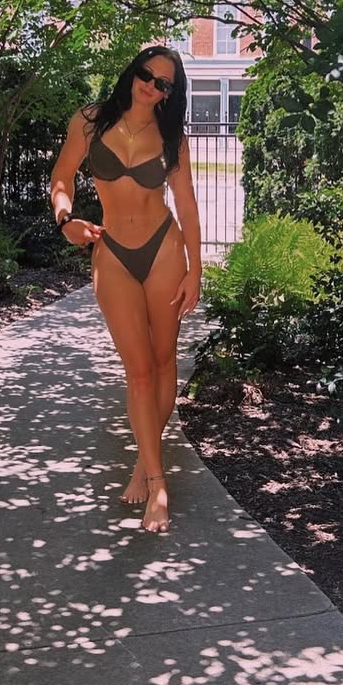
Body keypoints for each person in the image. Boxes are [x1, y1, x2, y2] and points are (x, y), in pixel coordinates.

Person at [50, 46, 202, 533]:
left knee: (163, 362)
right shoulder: (90, 122)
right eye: (146, 75)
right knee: (138, 371)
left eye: (163, 83)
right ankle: (158, 480)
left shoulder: (171, 137)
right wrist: (66, 220)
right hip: (112, 252)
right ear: (132, 73)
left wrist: (196, 271)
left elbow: (187, 204)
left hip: (164, 250)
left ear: (170, 94)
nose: (151, 86)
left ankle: (146, 467)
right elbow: (62, 178)